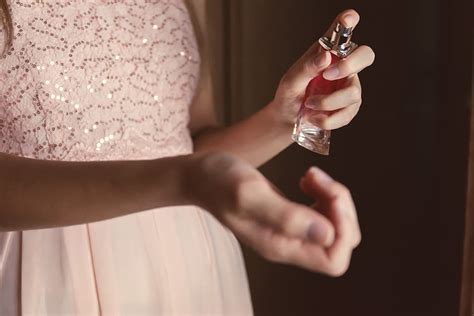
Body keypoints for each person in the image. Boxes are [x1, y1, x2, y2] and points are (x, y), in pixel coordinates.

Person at [0, 1, 375, 314]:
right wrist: (190, 178)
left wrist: (287, 116)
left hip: (190, 268)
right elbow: (192, 171)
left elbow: (189, 147)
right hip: (45, 277)